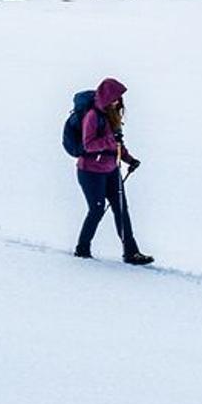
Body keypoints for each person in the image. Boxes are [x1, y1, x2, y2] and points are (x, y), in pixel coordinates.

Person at [65, 78, 153, 265]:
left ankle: (131, 253)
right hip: (90, 171)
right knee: (96, 210)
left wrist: (129, 159)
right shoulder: (92, 116)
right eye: (116, 97)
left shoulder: (111, 115)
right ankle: (82, 249)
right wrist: (110, 140)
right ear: (106, 96)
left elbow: (118, 144)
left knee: (121, 210)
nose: (118, 101)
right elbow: (88, 145)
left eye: (119, 98)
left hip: (111, 169)